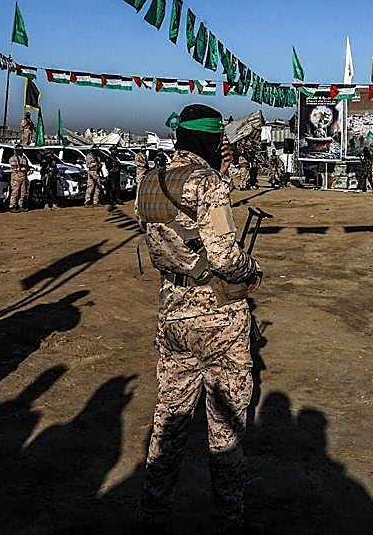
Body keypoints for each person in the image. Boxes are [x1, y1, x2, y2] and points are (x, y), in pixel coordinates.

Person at [134, 104, 263, 532]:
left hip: (172, 310)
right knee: (225, 425)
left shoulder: (148, 181)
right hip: (218, 318)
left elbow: (178, 233)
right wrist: (251, 271)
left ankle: (154, 513)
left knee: (169, 420)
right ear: (210, 141)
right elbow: (224, 255)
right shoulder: (207, 184)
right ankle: (228, 519)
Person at [9, 145, 30, 212]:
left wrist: (27, 169)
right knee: (15, 192)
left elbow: (26, 166)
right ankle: (12, 206)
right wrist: (23, 168)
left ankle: (20, 205)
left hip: (23, 177)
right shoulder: (13, 158)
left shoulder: (24, 158)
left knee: (23, 192)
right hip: (16, 177)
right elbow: (15, 168)